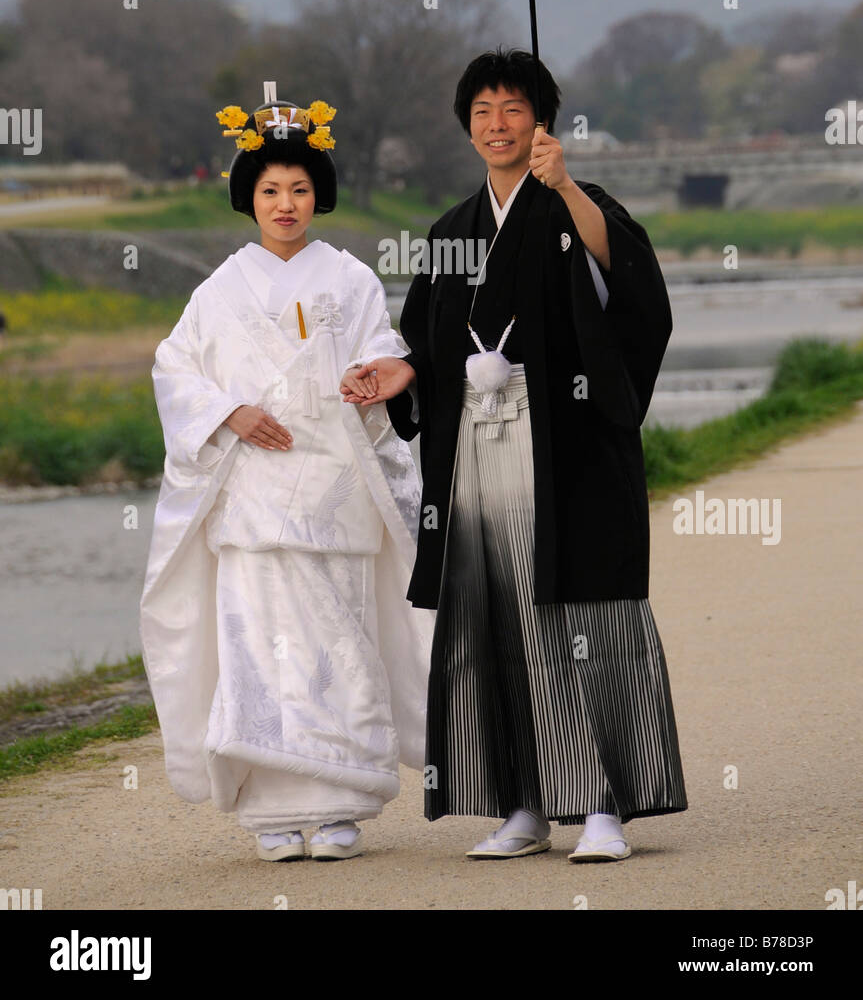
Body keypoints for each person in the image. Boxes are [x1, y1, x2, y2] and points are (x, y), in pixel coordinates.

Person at [343, 48, 687, 862]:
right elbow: (429, 336)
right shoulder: (452, 231)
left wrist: (564, 186)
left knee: (575, 614)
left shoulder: (579, 205)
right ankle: (523, 801)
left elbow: (628, 289)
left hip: (563, 441)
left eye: (513, 109)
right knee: (490, 613)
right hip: (474, 446)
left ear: (541, 121)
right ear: (467, 126)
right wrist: (400, 371)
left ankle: (601, 803)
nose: (497, 125)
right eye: (483, 111)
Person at [140, 94, 433, 863]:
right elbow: (175, 368)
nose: (285, 205)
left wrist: (377, 378)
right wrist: (229, 412)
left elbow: (384, 348)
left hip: (334, 491)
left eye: (299, 190)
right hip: (254, 493)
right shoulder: (219, 290)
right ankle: (271, 811)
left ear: (318, 195)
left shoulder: (350, 278)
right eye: (270, 190)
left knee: (339, 643)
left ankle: (339, 804)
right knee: (257, 651)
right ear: (249, 197)